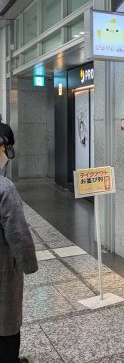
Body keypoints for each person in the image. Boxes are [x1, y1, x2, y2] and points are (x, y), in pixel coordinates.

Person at [0, 135, 38, 363]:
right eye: (3, 148)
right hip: (3, 267)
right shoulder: (5, 188)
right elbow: (17, 232)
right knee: (6, 319)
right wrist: (29, 264)